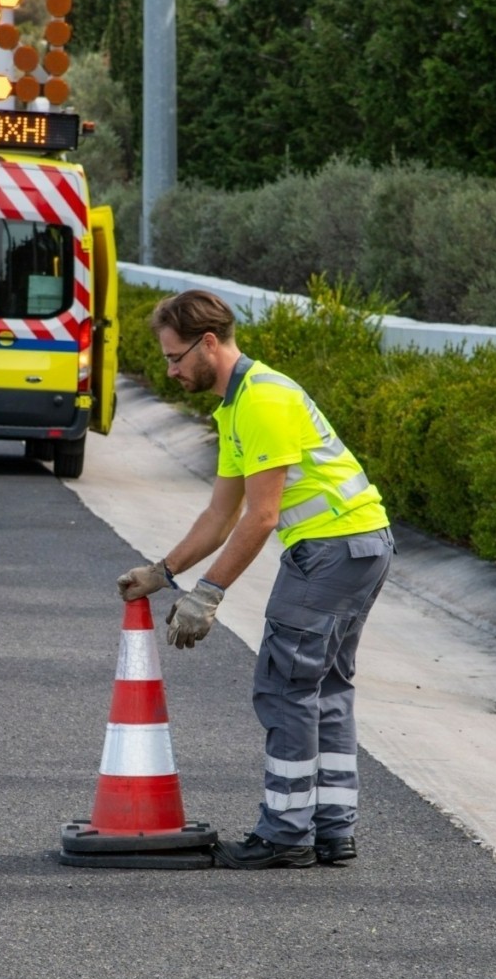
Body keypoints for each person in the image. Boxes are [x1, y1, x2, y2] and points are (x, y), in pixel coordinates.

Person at [117, 289, 394, 870]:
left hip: (332, 550)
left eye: (174, 358)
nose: (169, 370)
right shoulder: (237, 404)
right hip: (360, 545)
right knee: (326, 688)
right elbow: (220, 515)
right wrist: (165, 573)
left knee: (286, 686)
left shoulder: (263, 401)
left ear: (209, 344)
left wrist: (208, 594)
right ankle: (331, 831)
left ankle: (285, 835)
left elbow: (262, 517)